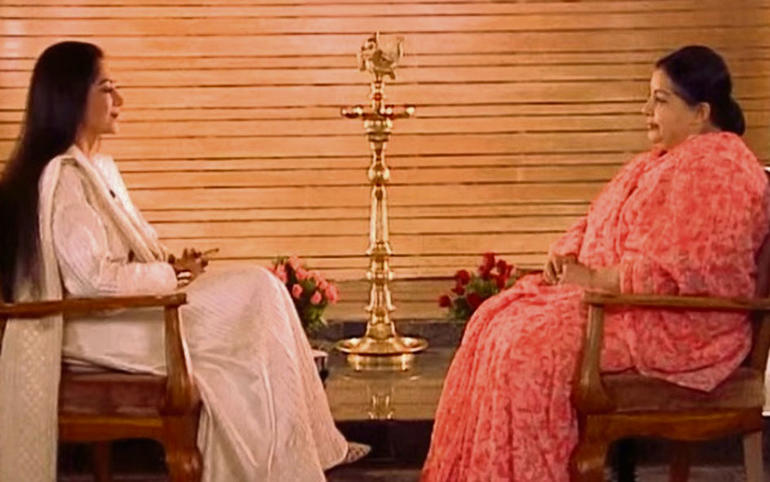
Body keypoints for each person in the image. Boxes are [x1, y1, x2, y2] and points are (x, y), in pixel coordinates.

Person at [0, 41, 368, 482]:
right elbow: (92, 281)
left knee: (260, 289)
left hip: (130, 314)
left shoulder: (96, 169)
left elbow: (122, 256)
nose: (120, 101)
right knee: (258, 290)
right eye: (107, 88)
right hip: (95, 330)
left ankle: (300, 454)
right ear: (71, 96)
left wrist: (174, 266)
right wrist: (166, 275)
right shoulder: (64, 179)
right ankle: (291, 463)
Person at [421, 45, 770, 481]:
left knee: (526, 350)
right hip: (627, 307)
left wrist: (593, 278)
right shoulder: (663, 161)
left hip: (682, 327)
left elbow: (687, 271)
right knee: (493, 322)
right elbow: (598, 220)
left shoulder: (720, 172)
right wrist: (566, 254)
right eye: (649, 98)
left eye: (660, 100)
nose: (646, 110)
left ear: (700, 113)